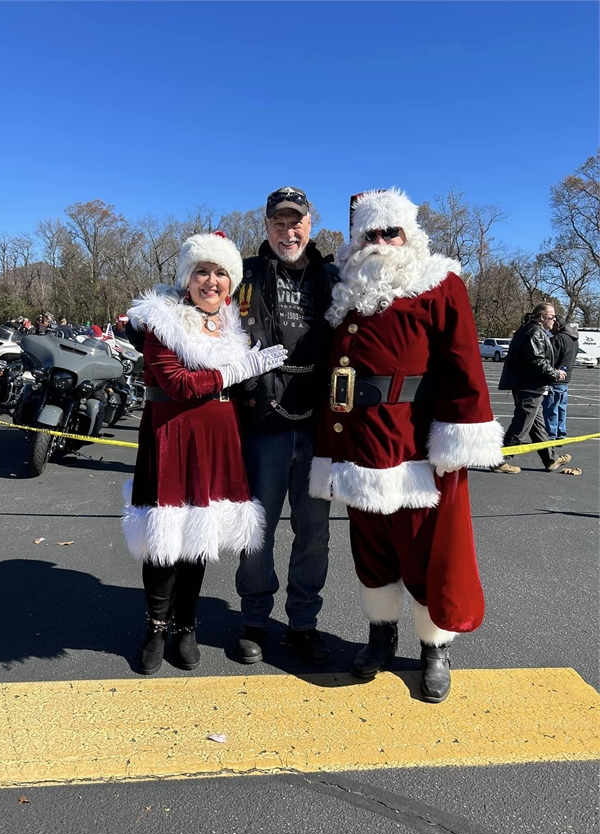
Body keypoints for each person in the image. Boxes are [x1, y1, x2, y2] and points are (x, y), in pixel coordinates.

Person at [309, 188, 504, 703]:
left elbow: (463, 361)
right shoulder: (347, 288)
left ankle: (433, 646)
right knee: (369, 545)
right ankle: (381, 633)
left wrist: (460, 435)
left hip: (412, 439)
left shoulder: (439, 283)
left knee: (421, 547)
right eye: (369, 234)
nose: (379, 243)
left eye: (389, 232)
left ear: (409, 235)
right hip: (355, 437)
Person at [122, 232, 287, 675]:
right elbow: (175, 384)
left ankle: (185, 625)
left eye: (219, 273)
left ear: (230, 283)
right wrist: (236, 369)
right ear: (187, 276)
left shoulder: (233, 324)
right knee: (163, 538)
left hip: (218, 439)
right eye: (201, 271)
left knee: (199, 533)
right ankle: (156, 624)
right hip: (171, 435)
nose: (210, 281)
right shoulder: (163, 320)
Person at [234, 186, 340, 667]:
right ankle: (255, 617)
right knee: (256, 528)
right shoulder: (244, 274)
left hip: (319, 424)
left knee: (313, 531)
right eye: (279, 222)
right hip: (263, 422)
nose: (288, 230)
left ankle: (303, 622)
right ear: (266, 226)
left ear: (310, 225)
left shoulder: (333, 278)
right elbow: (200, 309)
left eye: (296, 221)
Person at [495, 303, 572, 473]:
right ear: (542, 317)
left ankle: (550, 459)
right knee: (521, 425)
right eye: (552, 317)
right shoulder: (534, 332)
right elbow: (536, 361)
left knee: (538, 427)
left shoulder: (530, 330)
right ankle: (500, 460)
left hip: (530, 385)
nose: (554, 320)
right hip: (529, 386)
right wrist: (555, 373)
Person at [542, 317, 579, 441]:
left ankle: (551, 435)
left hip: (555, 377)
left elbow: (551, 358)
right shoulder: (574, 339)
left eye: (553, 325)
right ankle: (561, 433)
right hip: (566, 377)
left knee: (551, 408)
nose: (550, 329)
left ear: (558, 325)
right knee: (561, 408)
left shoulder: (557, 339)